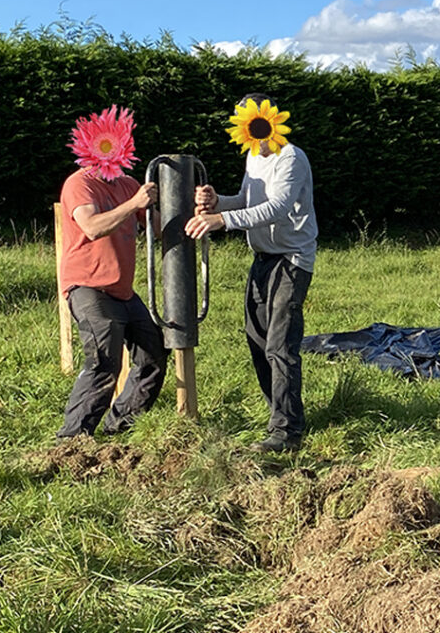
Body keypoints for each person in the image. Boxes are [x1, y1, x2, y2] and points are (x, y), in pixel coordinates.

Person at [185, 93, 317, 452]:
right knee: (257, 340)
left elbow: (277, 208)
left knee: (279, 343)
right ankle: (280, 412)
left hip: (291, 258)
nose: (247, 126)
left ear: (268, 119)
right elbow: (247, 200)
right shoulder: (253, 155)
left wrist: (221, 220)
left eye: (251, 118)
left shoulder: (290, 157)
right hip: (262, 257)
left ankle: (287, 432)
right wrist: (218, 202)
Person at [56, 105, 168, 438]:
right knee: (105, 363)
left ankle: (119, 428)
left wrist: (187, 205)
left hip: (122, 291)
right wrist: (134, 204)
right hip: (88, 287)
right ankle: (73, 440)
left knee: (154, 356)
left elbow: (159, 229)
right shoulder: (80, 184)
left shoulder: (128, 183)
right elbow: (91, 226)